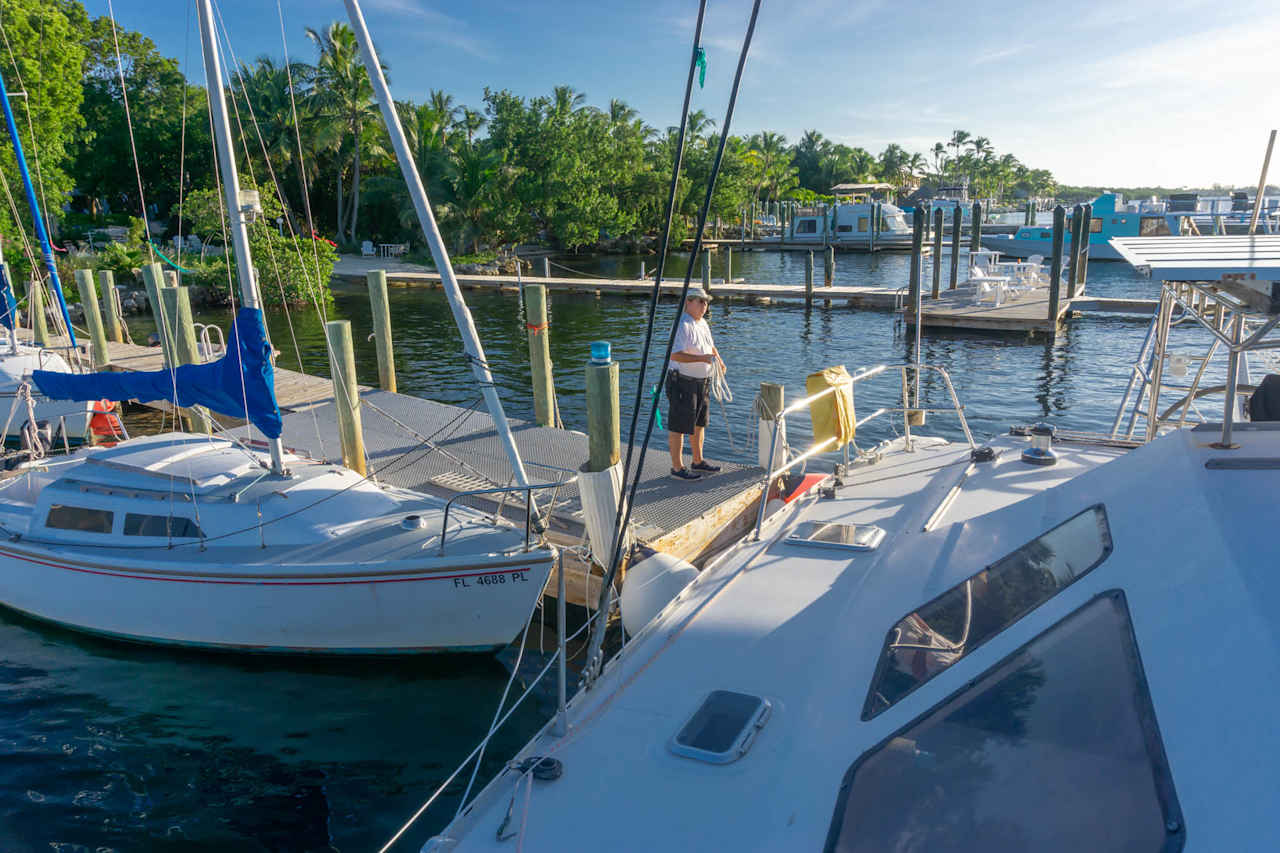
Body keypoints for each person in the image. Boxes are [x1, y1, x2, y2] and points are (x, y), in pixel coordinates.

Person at [666, 287, 725, 480]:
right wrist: (703, 359)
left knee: (700, 423)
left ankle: (698, 461)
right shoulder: (682, 325)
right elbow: (674, 355)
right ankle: (677, 467)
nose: (704, 305)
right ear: (688, 302)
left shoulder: (703, 324)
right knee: (679, 425)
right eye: (700, 301)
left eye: (706, 301)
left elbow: (710, 346)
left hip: (702, 381)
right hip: (682, 381)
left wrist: (719, 359)